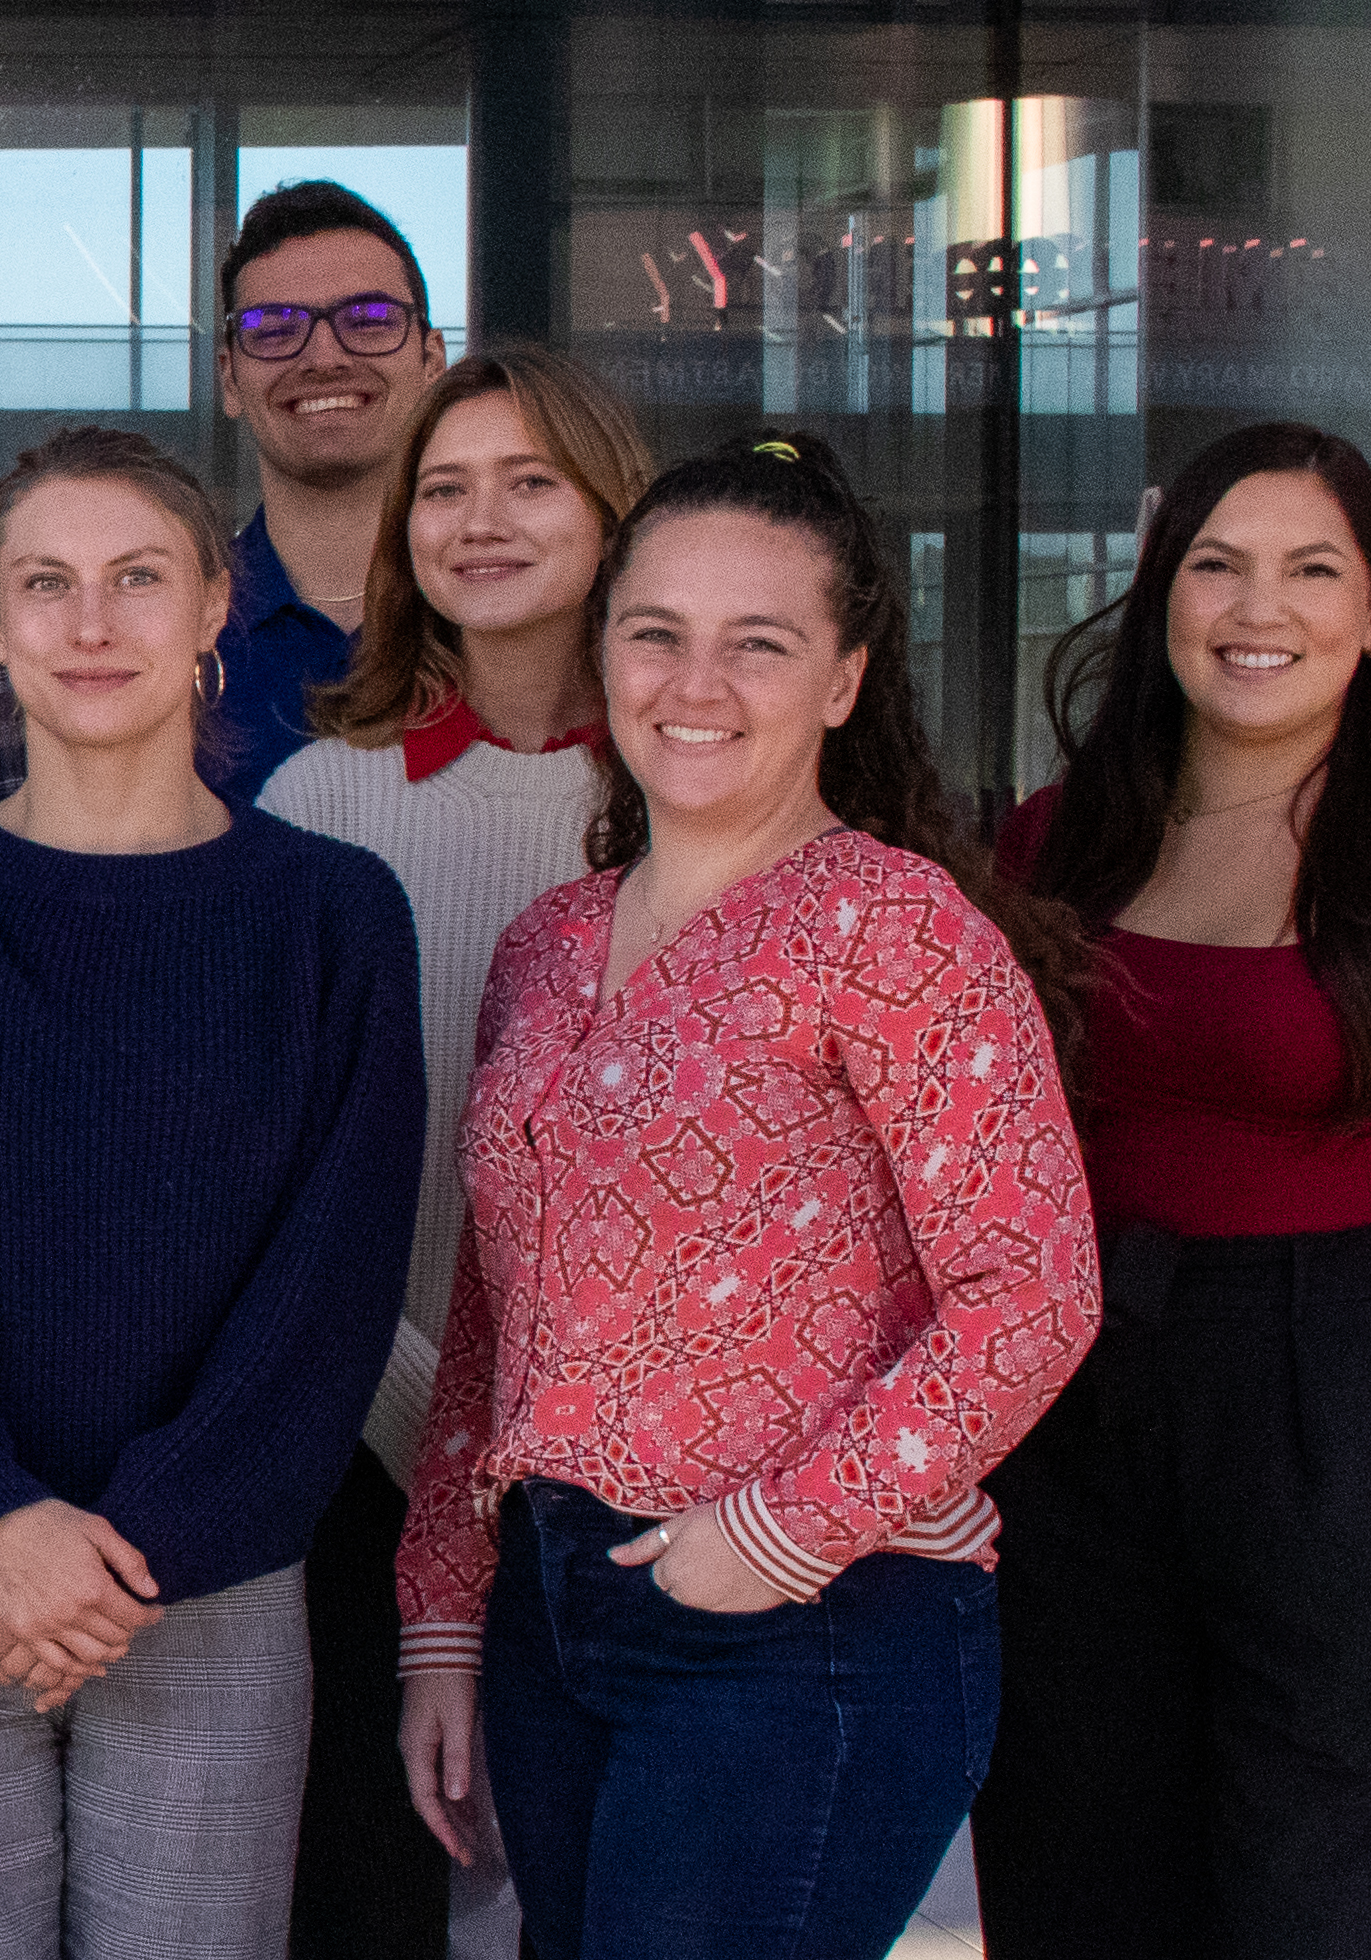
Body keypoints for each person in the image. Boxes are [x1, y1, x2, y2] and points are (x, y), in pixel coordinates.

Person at [391, 431, 1100, 1960]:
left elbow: (1031, 1292)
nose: (692, 685)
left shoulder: (897, 928)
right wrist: (445, 1613)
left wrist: (782, 1531)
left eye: (756, 645)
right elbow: (486, 1311)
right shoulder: (544, 943)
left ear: (842, 679)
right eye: (655, 633)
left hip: (807, 1624)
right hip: (552, 1609)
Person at [0, 427, 420, 1958]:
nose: (90, 622)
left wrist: (139, 1542)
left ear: (213, 605)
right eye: (43, 584)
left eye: (137, 578)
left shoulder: (328, 917)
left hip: (207, 1579)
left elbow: (330, 1280)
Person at [969, 423, 1371, 1960]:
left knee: (1332, 1905)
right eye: (1216, 564)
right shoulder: (1060, 843)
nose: (1259, 607)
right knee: (1076, 1869)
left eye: (1311, 568)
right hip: (1077, 1394)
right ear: (1159, 598)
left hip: (1348, 1393)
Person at [249, 344, 653, 1959]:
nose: (479, 522)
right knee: (364, 1904)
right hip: (357, 1458)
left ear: (615, 509)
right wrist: (438, 1434)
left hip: (629, 1477)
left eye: (529, 481)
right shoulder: (318, 803)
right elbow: (276, 1184)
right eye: (444, 488)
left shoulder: (707, 799)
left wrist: (520, 1454)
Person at [207, 182, 451, 804]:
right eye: (273, 327)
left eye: (368, 320)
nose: (323, 357)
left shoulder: (509, 615)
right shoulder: (174, 634)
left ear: (432, 361)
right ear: (230, 379)